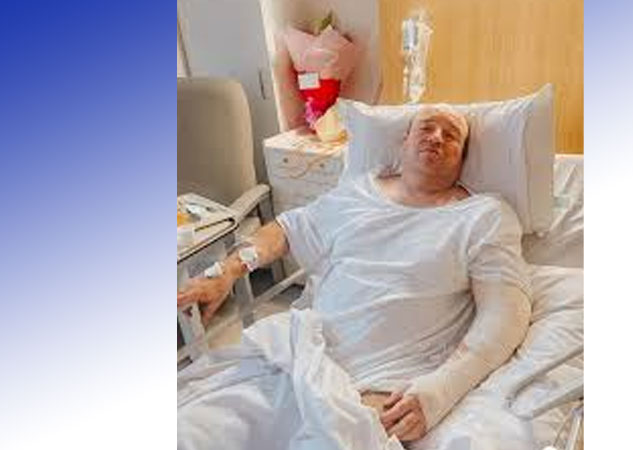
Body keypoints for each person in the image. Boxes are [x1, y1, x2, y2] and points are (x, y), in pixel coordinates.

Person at [177, 107, 532, 447]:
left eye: (451, 135)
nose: (436, 137)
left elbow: (506, 315)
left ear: (463, 158)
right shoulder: (358, 193)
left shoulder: (484, 216)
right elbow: (288, 228)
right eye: (426, 128)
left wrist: (441, 389)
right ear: (404, 141)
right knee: (188, 434)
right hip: (296, 357)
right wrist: (227, 270)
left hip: (376, 388)